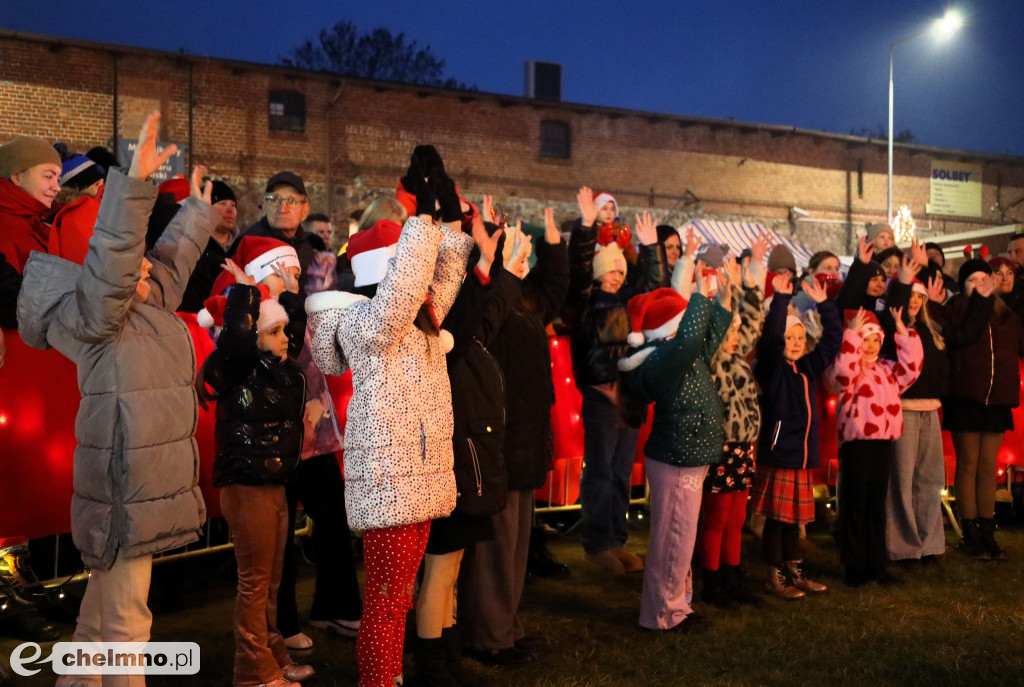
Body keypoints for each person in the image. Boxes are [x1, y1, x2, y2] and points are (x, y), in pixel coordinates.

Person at [17, 111, 217, 687]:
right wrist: (133, 185)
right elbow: (113, 261)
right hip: (124, 490)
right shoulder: (96, 316)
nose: (143, 262)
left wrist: (196, 213)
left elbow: (169, 266)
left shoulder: (141, 305)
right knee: (128, 624)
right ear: (101, 268)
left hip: (137, 488)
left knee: (102, 610)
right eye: (131, 259)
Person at [305, 147, 473, 687]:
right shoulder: (367, 323)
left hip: (415, 482)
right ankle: (378, 680)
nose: (423, 285)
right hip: (389, 485)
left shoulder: (418, 320)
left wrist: (444, 210)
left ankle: (389, 676)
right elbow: (400, 296)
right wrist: (420, 218)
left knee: (396, 599)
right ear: (390, 270)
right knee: (386, 601)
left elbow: (447, 274)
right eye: (408, 267)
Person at [415, 213, 524, 684]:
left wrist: (503, 270)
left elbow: (485, 314)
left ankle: (448, 660)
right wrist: (479, 264)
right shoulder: (442, 340)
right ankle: (434, 670)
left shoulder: (465, 338)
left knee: (450, 570)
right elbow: (472, 312)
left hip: (464, 465)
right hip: (449, 467)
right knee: (439, 573)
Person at [459, 207, 569, 668]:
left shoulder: (519, 300)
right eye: (516, 253)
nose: (524, 260)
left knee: (516, 546)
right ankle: (488, 634)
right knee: (495, 548)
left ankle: (506, 625)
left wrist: (553, 246)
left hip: (523, 438)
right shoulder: (486, 299)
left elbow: (554, 290)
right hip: (499, 440)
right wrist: (497, 262)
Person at [198, 261, 313, 687]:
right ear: (252, 334)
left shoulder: (275, 369)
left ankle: (271, 655)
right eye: (274, 331)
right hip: (248, 485)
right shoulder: (237, 365)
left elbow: (293, 331)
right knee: (255, 582)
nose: (285, 339)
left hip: (271, 482)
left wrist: (287, 294)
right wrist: (246, 293)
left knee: (270, 582)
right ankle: (252, 671)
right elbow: (237, 340)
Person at [618, 249, 734, 631]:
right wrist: (699, 296)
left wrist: (720, 301)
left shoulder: (675, 354)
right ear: (668, 328)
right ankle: (663, 614)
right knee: (674, 538)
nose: (690, 329)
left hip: (688, 455)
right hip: (676, 457)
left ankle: (678, 606)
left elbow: (706, 340)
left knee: (682, 537)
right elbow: (689, 342)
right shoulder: (661, 359)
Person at [564, 194, 665, 575]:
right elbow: (577, 269)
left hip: (629, 397)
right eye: (610, 269)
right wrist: (587, 229)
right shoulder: (585, 303)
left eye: (620, 270)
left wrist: (650, 248)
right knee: (601, 472)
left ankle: (617, 539)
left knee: (621, 473)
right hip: (601, 397)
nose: (617, 275)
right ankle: (597, 543)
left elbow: (651, 284)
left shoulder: (628, 301)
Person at [752, 273, 841, 599]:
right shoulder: (771, 368)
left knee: (794, 519)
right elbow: (770, 341)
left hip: (802, 457)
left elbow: (832, 341)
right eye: (790, 337)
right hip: (779, 454)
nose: (796, 342)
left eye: (800, 337)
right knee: (776, 520)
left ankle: (794, 571)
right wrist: (780, 301)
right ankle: (773, 575)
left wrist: (824, 305)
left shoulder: (807, 367)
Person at [935, 257, 1024, 561]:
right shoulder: (955, 310)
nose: (978, 285)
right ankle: (969, 532)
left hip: (996, 400)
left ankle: (988, 531)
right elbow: (949, 337)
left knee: (988, 466)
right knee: (968, 464)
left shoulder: (1007, 315)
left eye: (983, 279)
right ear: (962, 286)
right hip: (965, 398)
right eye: (971, 280)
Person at [826, 308, 923, 586]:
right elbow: (841, 375)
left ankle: (876, 564)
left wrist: (904, 334)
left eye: (874, 340)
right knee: (855, 504)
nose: (869, 346)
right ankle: (854, 566)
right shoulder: (848, 367)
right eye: (864, 339)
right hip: (857, 445)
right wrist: (851, 337)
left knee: (876, 505)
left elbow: (912, 369)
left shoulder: (887, 369)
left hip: (882, 443)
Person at [698, 236, 768, 609]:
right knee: (717, 516)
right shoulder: (711, 360)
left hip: (743, 447)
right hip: (721, 447)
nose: (737, 337)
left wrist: (753, 278)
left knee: (738, 515)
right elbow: (721, 325)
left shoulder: (738, 357)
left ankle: (732, 572)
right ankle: (710, 579)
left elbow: (753, 321)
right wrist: (726, 297)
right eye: (731, 331)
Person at [884, 277, 949, 564]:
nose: (914, 301)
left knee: (930, 478)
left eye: (919, 297)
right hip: (903, 409)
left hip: (930, 409)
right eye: (909, 295)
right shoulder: (891, 329)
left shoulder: (931, 330)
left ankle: (929, 543)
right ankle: (904, 546)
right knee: (902, 478)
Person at [233, 171, 316, 293]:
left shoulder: (308, 247)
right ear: (265, 206)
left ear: (305, 210)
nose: (282, 209)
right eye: (275, 199)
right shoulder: (248, 245)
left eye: (291, 200)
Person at [0, 135, 61, 274]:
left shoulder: (49, 219)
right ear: (18, 177)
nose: (57, 188)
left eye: (58, 179)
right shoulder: (4, 227)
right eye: (48, 176)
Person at [179, 180, 240, 312]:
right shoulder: (190, 243)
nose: (230, 210)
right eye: (222, 203)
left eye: (233, 205)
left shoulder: (241, 246)